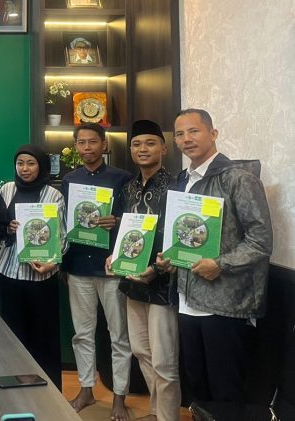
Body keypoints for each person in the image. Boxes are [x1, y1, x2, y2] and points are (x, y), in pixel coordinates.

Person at [157, 109, 272, 406]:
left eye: (194, 131)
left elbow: (260, 241)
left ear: (213, 133)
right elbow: (186, 236)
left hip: (224, 305)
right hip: (186, 300)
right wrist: (171, 259)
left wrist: (220, 265)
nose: (186, 139)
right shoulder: (183, 180)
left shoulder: (239, 179)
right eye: (180, 134)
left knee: (226, 390)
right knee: (198, 387)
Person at [105, 120, 179, 421]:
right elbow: (125, 230)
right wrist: (114, 256)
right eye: (137, 144)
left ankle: (168, 417)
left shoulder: (177, 186)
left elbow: (180, 238)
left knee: (164, 360)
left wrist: (155, 268)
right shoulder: (129, 188)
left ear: (164, 148)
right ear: (130, 150)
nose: (143, 149)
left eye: (150, 143)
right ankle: (156, 411)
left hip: (162, 283)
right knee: (140, 350)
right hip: (132, 281)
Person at [61, 122, 133, 419]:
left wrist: (117, 221)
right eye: (82, 142)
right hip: (78, 266)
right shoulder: (69, 179)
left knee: (119, 336)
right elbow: (64, 221)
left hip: (111, 266)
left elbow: (134, 218)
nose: (87, 147)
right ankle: (86, 390)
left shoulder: (122, 178)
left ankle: (119, 397)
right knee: (82, 334)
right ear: (76, 146)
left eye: (93, 142)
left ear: (104, 145)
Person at [0, 145, 66, 389]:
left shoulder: (53, 195)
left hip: (41, 277)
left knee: (43, 336)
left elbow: (62, 236)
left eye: (31, 163)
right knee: (12, 336)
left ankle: (49, 392)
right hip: (9, 272)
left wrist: (52, 263)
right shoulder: (6, 189)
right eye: (20, 163)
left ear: (41, 166)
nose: (24, 169)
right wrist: (8, 228)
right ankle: (14, 388)